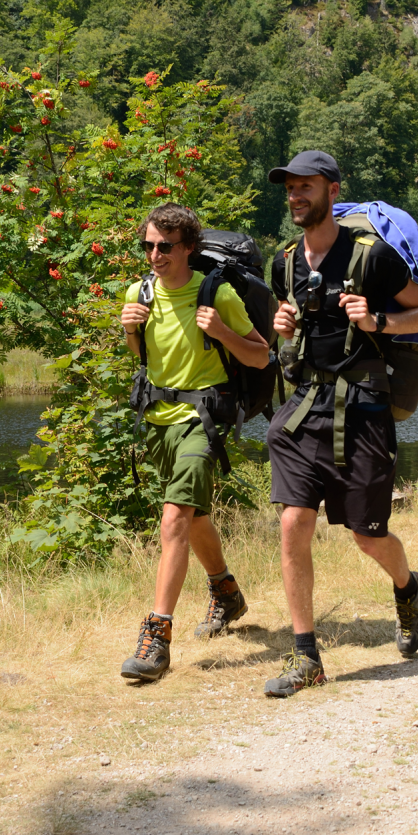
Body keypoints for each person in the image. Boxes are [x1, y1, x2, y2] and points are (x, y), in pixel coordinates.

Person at [261, 151, 418, 698]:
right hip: (305, 407)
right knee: (294, 522)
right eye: (290, 188)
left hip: (362, 407)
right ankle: (307, 657)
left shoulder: (372, 257)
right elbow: (287, 333)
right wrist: (282, 324)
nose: (296, 196)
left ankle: (408, 588)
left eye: (306, 187)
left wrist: (379, 319)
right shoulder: (285, 261)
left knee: (367, 536)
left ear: (332, 191)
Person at [117, 204, 272, 683]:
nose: (155, 255)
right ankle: (226, 591)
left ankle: (157, 636)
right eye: (148, 246)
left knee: (174, 517)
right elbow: (144, 357)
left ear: (188, 248)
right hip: (159, 419)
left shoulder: (217, 293)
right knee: (194, 512)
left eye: (165, 246)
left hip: (202, 420)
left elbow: (262, 355)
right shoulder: (139, 292)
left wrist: (222, 331)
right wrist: (128, 330)